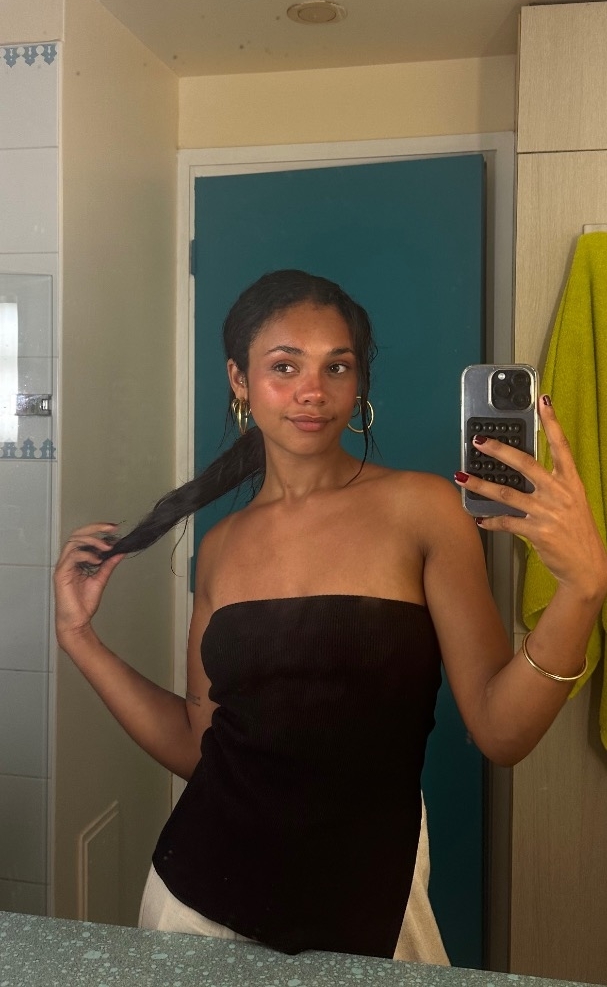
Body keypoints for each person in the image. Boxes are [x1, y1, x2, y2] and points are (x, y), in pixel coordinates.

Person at [54, 269, 607, 962]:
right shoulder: (221, 547)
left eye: (336, 367)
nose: (313, 391)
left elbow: (502, 732)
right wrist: (79, 638)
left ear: (358, 382)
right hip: (194, 902)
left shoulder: (425, 509)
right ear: (239, 379)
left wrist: (582, 589)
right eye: (284, 367)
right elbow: (200, 749)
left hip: (371, 906)